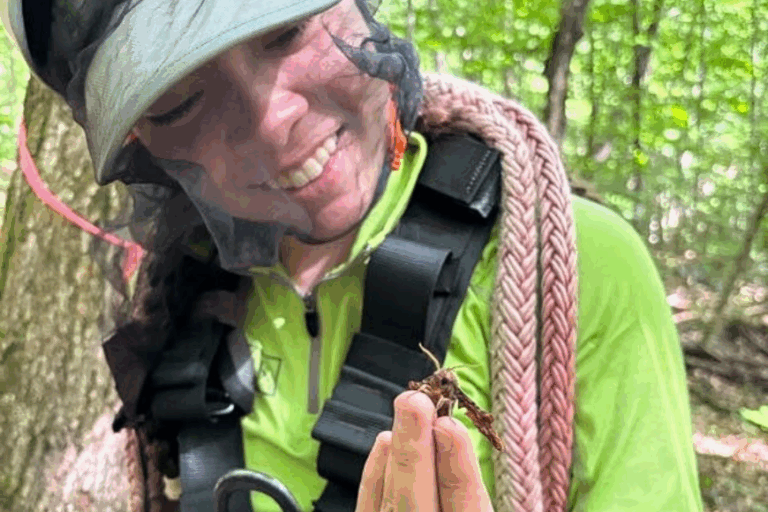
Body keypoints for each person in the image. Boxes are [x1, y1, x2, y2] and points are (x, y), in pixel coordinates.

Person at [3, 0, 704, 511]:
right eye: (181, 104)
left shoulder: (573, 265)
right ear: (146, 151)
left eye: (283, 31)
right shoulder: (187, 302)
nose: (271, 120)